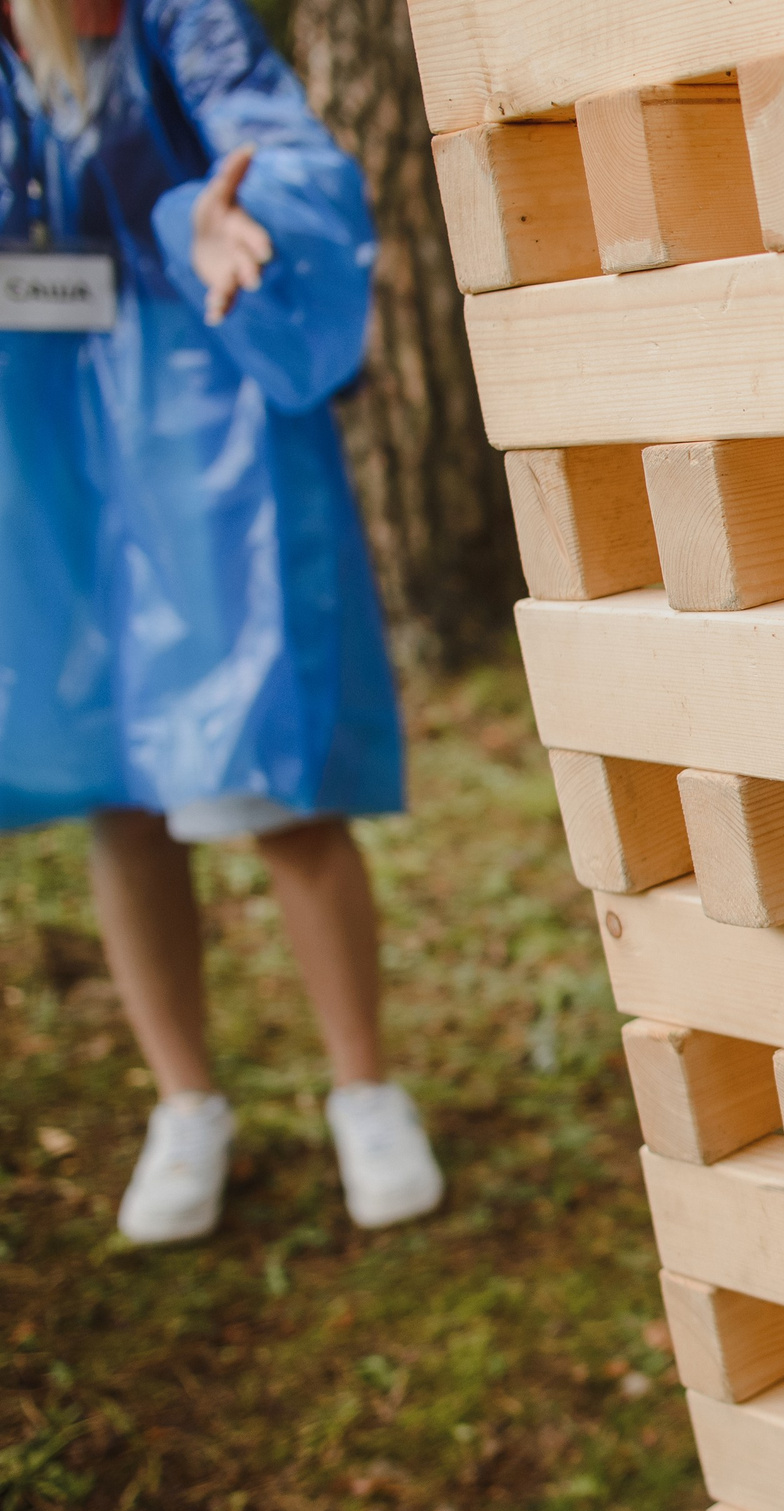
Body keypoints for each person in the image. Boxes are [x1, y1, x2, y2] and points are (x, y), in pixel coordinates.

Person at [0, 0, 442, 1243]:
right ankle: (185, 1100)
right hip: (44, 425)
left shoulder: (175, 18)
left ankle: (364, 1084)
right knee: (119, 780)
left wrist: (206, 215)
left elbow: (278, 151)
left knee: (272, 762)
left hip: (198, 410)